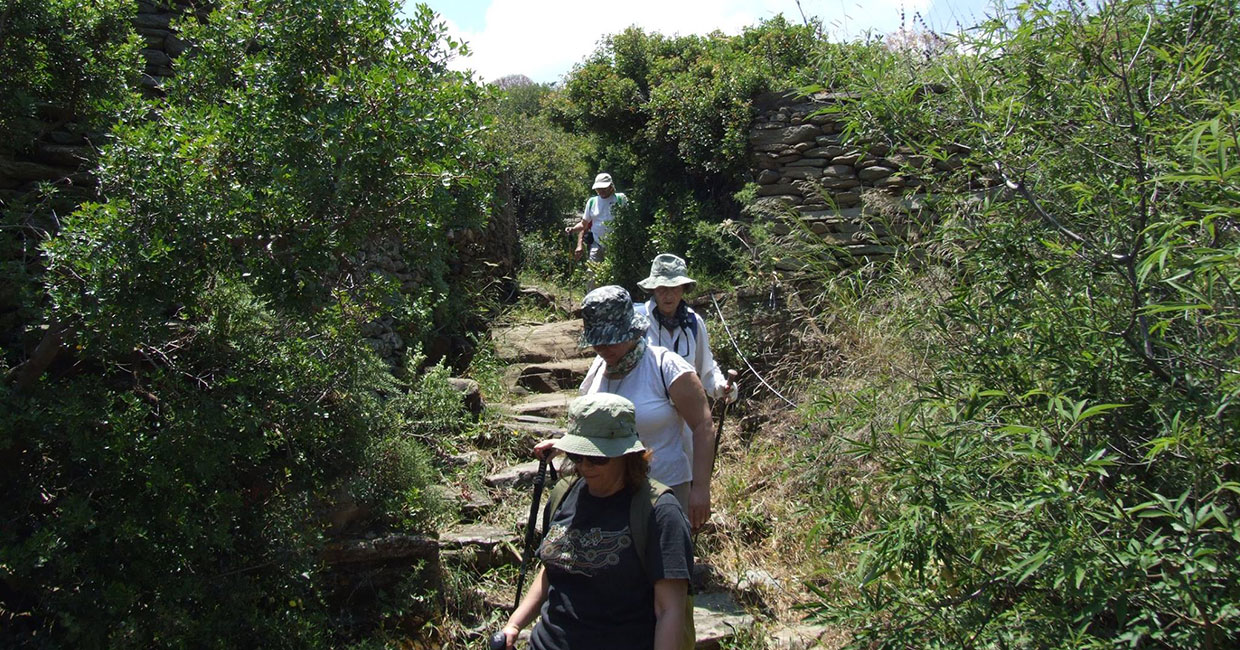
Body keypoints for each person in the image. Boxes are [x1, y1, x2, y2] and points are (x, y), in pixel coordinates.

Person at [500, 393, 692, 650]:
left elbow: (669, 610)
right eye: (578, 457)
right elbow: (553, 569)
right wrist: (515, 624)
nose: (586, 466)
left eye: (598, 458)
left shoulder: (659, 512)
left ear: (627, 455)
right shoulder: (564, 494)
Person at [538, 285, 715, 529]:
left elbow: (703, 426)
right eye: (597, 342)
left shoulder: (667, 367)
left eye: (611, 340)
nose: (602, 348)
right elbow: (595, 425)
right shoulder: (598, 368)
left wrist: (701, 488)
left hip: (663, 491)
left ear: (632, 331)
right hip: (605, 493)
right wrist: (562, 444)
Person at [636, 254, 739, 404]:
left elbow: (707, 369)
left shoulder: (693, 322)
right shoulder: (639, 321)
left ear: (683, 289)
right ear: (653, 289)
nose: (668, 295)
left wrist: (721, 387)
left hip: (685, 417)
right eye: (662, 288)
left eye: (674, 288)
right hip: (646, 417)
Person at [564, 172, 628, 262]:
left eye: (604, 188)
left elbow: (629, 220)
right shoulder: (592, 202)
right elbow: (584, 224)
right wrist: (573, 229)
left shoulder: (620, 199)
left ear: (611, 186)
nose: (601, 191)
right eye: (598, 189)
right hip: (596, 243)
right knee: (592, 272)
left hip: (617, 245)